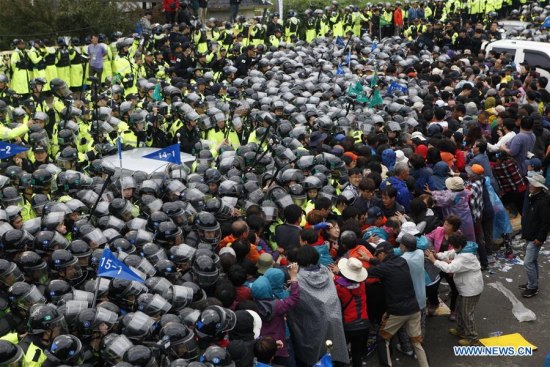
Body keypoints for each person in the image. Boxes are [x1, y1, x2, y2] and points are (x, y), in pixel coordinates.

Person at [367, 242, 429, 367]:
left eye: (378, 255)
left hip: (397, 312)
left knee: (382, 339)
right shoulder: (402, 261)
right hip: (414, 308)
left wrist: (341, 271)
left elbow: (366, 273)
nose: (377, 257)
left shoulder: (384, 268)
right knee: (416, 342)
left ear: (383, 254)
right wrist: (371, 259)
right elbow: (383, 266)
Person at [287, 246, 349, 366]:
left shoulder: (298, 279)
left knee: (315, 356)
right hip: (334, 319)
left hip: (312, 326)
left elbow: (293, 302)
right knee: (334, 351)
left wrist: (292, 279)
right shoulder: (325, 270)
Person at [426, 233, 483, 346]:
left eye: (453, 246)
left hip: (471, 290)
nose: (452, 248)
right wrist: (437, 255)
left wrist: (434, 261)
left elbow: (449, 268)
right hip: (464, 287)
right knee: (460, 309)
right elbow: (449, 253)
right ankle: (461, 330)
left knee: (467, 313)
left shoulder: (465, 256)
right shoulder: (463, 248)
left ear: (459, 246)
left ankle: (472, 338)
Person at [333, 257, 369, 367]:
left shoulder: (340, 288)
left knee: (340, 354)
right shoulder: (362, 285)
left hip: (348, 326)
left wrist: (334, 276)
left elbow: (343, 284)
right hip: (364, 324)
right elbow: (349, 282)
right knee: (357, 354)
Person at [519, 173, 550, 298]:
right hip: (530, 235)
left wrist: (540, 238)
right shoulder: (534, 197)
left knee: (528, 262)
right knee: (532, 261)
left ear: (538, 187)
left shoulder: (542, 202)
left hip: (535, 238)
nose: (530, 185)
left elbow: (545, 222)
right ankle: (532, 283)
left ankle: (532, 287)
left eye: (532, 184)